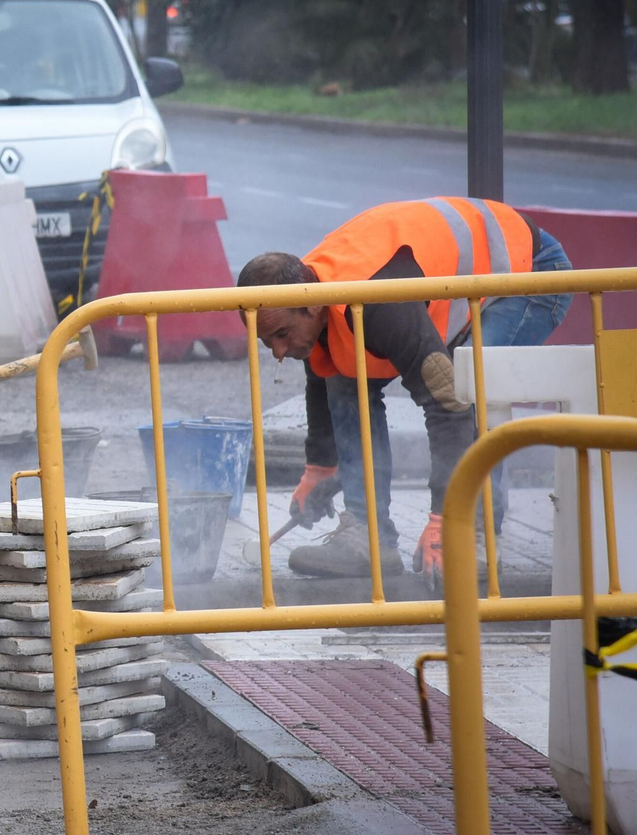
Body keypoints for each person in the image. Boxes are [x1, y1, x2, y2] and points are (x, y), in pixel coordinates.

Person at [237, 197, 572, 581]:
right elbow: (325, 377)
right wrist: (319, 468)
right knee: (347, 383)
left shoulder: (377, 305)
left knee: (468, 383)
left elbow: (449, 408)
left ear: (311, 310)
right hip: (450, 279)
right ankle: (367, 537)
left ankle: (471, 532)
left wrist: (444, 518)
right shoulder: (304, 296)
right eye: (268, 342)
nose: (279, 351)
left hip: (529, 271)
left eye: (281, 335)